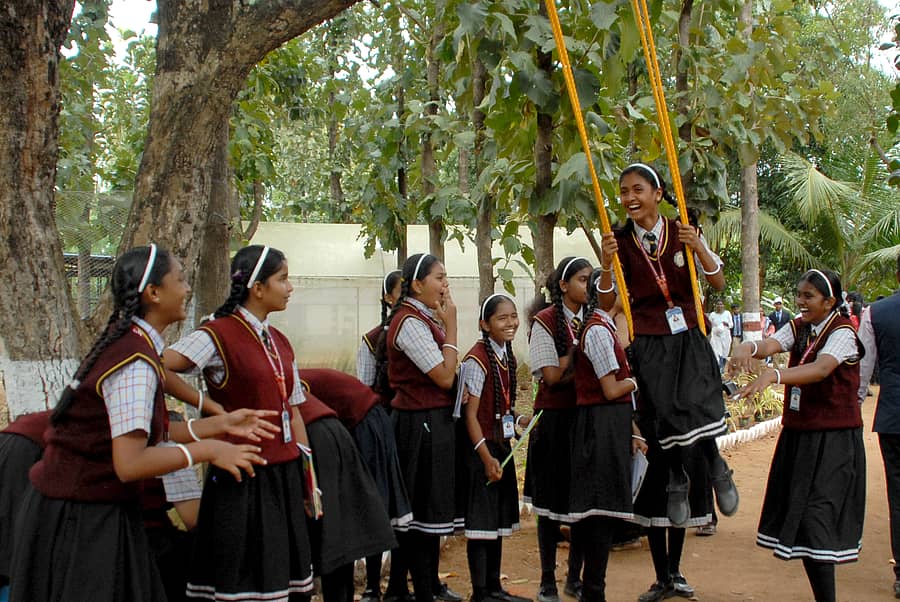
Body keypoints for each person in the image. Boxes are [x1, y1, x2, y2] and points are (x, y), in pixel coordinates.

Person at [9, 245, 272, 602]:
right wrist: (208, 450)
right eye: (179, 279)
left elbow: (149, 435)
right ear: (153, 293)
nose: (187, 288)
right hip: (81, 518)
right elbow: (130, 462)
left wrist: (219, 424)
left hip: (87, 507)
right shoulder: (134, 363)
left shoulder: (132, 344)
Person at [597, 163, 737, 601]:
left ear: (658, 193)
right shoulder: (618, 243)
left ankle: (716, 466)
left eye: (637, 189)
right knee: (662, 417)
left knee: (699, 403)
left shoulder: (684, 232)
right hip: (651, 341)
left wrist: (701, 251)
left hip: (688, 334)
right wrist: (605, 267)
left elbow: (717, 280)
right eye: (623, 192)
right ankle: (677, 474)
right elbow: (606, 301)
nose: (629, 198)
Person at [164, 244, 316, 602]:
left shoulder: (279, 341)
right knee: (244, 582)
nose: (290, 287)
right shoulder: (217, 334)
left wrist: (308, 479)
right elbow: (158, 364)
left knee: (285, 581)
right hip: (241, 478)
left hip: (282, 476)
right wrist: (204, 406)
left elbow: (292, 411)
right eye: (283, 279)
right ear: (257, 288)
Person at [731, 268, 865, 602]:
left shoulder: (843, 332)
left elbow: (821, 369)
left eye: (808, 296)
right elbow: (772, 343)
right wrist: (747, 346)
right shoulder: (800, 327)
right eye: (799, 295)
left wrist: (775, 374)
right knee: (805, 522)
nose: (800, 302)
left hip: (833, 440)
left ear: (830, 301)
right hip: (801, 436)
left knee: (818, 517)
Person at [375, 253, 463, 602]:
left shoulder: (423, 318)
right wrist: (452, 326)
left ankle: (403, 589)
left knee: (422, 514)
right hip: (418, 423)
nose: (445, 286)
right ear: (417, 284)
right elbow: (444, 375)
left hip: (430, 421)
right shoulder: (410, 322)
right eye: (440, 278)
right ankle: (421, 591)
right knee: (420, 517)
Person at [567, 270, 648, 602]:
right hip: (598, 427)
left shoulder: (608, 328)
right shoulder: (598, 331)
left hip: (608, 425)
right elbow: (611, 387)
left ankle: (591, 586)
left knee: (601, 510)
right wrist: (637, 380)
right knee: (601, 510)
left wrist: (631, 430)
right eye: (617, 289)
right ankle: (593, 590)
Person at [300, 367, 413, 602]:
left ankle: (373, 587)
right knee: (359, 509)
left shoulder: (291, 382)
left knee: (371, 507)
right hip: (355, 423)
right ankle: (367, 588)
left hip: (365, 422)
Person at [525, 256, 590, 602]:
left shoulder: (595, 318)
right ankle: (547, 578)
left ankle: (574, 577)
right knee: (549, 505)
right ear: (563, 286)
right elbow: (550, 377)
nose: (588, 286)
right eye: (582, 279)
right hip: (554, 422)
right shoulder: (545, 322)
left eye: (591, 279)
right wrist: (580, 357)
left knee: (581, 502)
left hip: (584, 420)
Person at [459, 294, 530, 602]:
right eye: (502, 318)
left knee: (497, 521)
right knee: (481, 522)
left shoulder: (506, 357)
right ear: (484, 325)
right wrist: (486, 457)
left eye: (513, 316)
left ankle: (495, 588)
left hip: (500, 447)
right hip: (481, 452)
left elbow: (503, 406)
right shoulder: (476, 360)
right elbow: (470, 416)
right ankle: (480, 591)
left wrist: (521, 418)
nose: (510, 323)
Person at [857, 255, 900, 597]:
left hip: (892, 416)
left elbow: (863, 364)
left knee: (898, 497)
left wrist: (855, 404)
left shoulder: (876, 313)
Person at [359, 270, 403, 396]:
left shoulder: (423, 331)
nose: (408, 298)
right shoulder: (372, 340)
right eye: (402, 292)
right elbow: (365, 388)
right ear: (388, 297)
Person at [707, 300, 732, 373]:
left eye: (721, 304)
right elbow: (709, 324)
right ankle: (719, 368)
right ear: (716, 306)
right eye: (718, 304)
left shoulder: (727, 313)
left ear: (723, 306)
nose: (719, 306)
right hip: (716, 336)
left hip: (725, 335)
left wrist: (725, 324)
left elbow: (731, 324)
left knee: (725, 352)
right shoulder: (712, 314)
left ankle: (723, 367)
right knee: (717, 352)